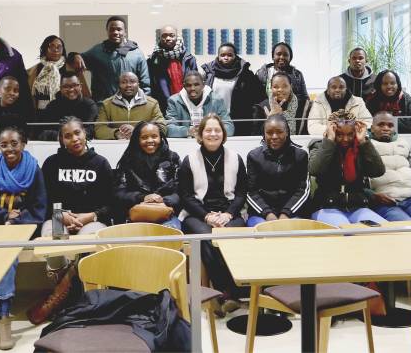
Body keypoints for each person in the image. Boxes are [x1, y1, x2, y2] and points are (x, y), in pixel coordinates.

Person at [27, 116, 111, 324]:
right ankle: (71, 294)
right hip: (58, 215)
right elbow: (44, 200)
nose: (74, 139)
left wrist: (90, 216)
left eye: (77, 133)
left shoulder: (100, 164)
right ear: (61, 139)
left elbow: (112, 204)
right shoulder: (52, 164)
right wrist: (61, 215)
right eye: (68, 135)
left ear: (85, 133)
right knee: (51, 239)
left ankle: (57, 298)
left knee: (89, 242)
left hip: (90, 219)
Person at [0, 117, 46, 349]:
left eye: (14, 143)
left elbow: (39, 207)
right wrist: (3, 219)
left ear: (24, 144)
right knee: (4, 250)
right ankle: (1, 311)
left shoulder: (33, 169)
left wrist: (17, 221)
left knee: (7, 250)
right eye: (4, 144)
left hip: (25, 227)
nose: (9, 149)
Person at [178, 114, 247, 312]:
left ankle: (223, 294)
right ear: (200, 135)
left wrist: (228, 214)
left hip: (229, 213)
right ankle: (227, 292)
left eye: (217, 130)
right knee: (207, 238)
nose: (213, 134)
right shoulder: (189, 160)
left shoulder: (235, 158)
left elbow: (242, 193)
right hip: (197, 214)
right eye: (208, 130)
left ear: (223, 134)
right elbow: (186, 196)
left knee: (229, 238)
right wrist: (207, 216)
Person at [308, 111, 387, 226]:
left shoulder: (360, 147)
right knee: (346, 232)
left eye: (350, 134)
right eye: (340, 134)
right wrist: (330, 140)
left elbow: (378, 171)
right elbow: (315, 169)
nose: (345, 139)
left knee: (381, 230)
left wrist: (363, 142)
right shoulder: (320, 145)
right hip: (327, 207)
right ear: (332, 130)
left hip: (357, 206)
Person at [367, 112, 411, 223]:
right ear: (372, 128)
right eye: (381, 125)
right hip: (384, 201)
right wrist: (371, 195)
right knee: (406, 227)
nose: (386, 128)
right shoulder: (365, 145)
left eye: (390, 125)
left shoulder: (404, 144)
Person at [115, 121, 183, 229]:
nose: (150, 140)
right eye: (144, 137)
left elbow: (182, 190)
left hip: (167, 213)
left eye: (154, 136)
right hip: (136, 213)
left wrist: (163, 200)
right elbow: (119, 192)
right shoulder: (128, 160)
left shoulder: (172, 158)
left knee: (170, 235)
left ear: (161, 138)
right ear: (137, 139)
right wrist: (143, 197)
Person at [246, 114, 310, 226]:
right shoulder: (253, 156)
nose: (274, 136)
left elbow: (303, 190)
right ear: (264, 134)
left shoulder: (300, 156)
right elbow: (251, 191)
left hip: (294, 213)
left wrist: (286, 214)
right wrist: (268, 214)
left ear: (287, 132)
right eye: (269, 133)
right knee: (264, 233)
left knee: (290, 233)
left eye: (279, 132)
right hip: (262, 215)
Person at [200, 43, 266, 136]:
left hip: (239, 122)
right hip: (213, 120)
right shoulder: (209, 73)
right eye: (222, 55)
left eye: (230, 55)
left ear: (235, 56)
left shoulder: (246, 74)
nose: (226, 58)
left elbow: (260, 96)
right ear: (218, 56)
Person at [84, 16, 150, 103]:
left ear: (125, 31)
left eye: (119, 29)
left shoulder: (136, 53)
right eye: (111, 29)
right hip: (103, 105)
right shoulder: (97, 52)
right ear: (107, 31)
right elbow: (76, 63)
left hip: (130, 105)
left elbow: (145, 82)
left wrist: (143, 103)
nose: (115, 32)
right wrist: (74, 56)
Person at [94, 72, 166, 140]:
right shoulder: (107, 104)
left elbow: (162, 128)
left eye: (132, 82)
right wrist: (116, 133)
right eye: (124, 82)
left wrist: (138, 131)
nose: (128, 85)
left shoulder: (152, 103)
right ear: (118, 85)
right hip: (116, 146)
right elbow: (98, 129)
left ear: (138, 84)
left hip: (143, 145)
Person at [165, 71, 233, 138]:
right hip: (185, 143)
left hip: (210, 140)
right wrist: (188, 131)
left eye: (196, 84)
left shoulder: (217, 100)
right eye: (188, 85)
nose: (192, 88)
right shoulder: (174, 101)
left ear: (203, 85)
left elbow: (229, 128)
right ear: (184, 86)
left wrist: (209, 131)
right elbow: (169, 129)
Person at [148, 25, 198, 113]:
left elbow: (196, 84)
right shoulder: (153, 60)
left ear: (177, 37)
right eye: (164, 35)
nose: (168, 38)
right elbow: (150, 85)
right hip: (162, 107)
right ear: (160, 38)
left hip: (187, 105)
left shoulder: (189, 59)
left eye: (171, 35)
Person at [38, 71, 98, 140]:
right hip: (56, 145)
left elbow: (90, 131)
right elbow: (42, 132)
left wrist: (69, 136)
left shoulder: (89, 105)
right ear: (60, 88)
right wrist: (63, 137)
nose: (71, 89)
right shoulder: (52, 106)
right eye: (66, 86)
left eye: (75, 85)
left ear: (80, 86)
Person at [308, 75, 372, 135]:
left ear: (346, 89)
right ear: (328, 90)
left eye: (341, 87)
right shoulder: (318, 102)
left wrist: (348, 129)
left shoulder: (358, 102)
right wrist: (338, 129)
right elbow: (312, 128)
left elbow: (369, 123)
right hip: (327, 140)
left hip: (352, 140)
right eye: (333, 87)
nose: (337, 90)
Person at [365, 69, 411, 134]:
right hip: (377, 139)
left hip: (403, 138)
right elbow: (367, 123)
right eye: (385, 83)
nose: (389, 86)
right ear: (379, 85)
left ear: (398, 84)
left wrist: (382, 122)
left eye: (393, 83)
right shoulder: (372, 100)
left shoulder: (405, 98)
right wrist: (399, 122)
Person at [26, 35, 66, 117]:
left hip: (64, 111)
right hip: (39, 112)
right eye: (52, 46)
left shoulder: (69, 68)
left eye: (59, 47)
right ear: (45, 48)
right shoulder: (34, 70)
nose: (56, 50)